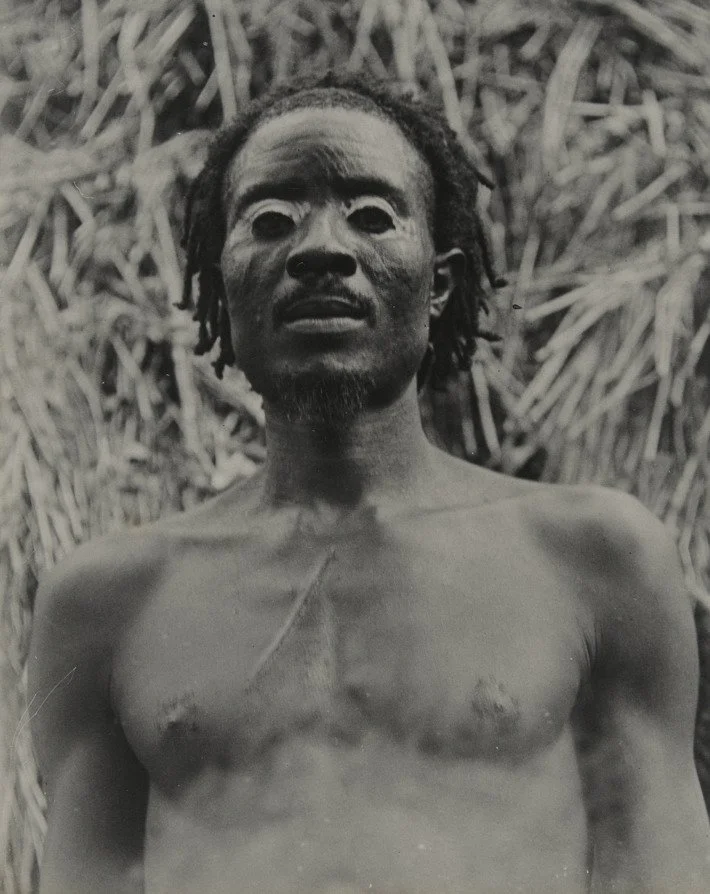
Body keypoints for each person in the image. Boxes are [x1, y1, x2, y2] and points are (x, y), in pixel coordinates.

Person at [29, 70, 710, 894]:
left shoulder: (596, 558)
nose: (320, 248)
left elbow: (656, 869)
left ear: (440, 284)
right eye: (272, 219)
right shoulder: (110, 601)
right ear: (220, 284)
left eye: (373, 215)